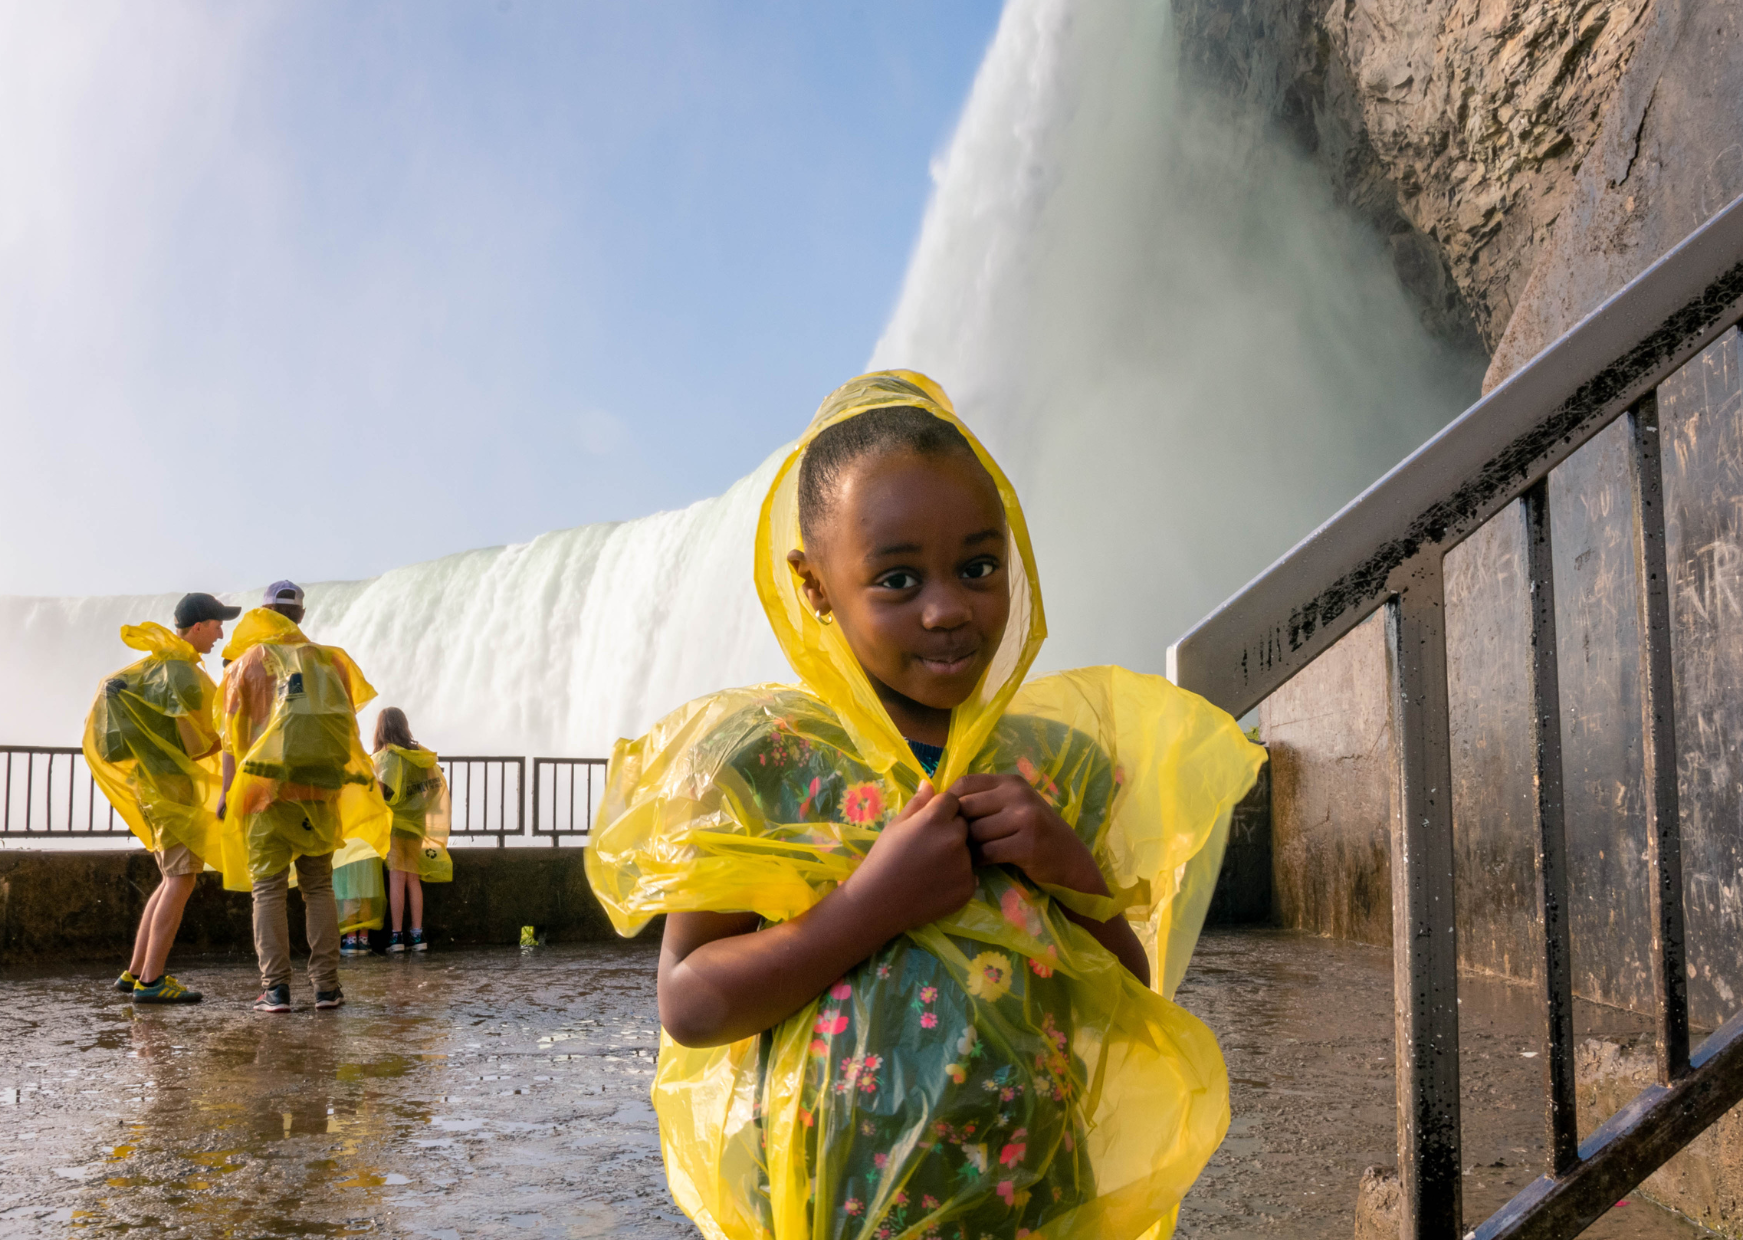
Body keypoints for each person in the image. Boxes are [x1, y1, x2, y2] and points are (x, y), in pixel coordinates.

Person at [585, 372, 1264, 1240]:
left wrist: (1072, 870)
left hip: (1035, 1198)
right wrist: (870, 905)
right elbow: (688, 1001)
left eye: (978, 567)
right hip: (842, 1206)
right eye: (898, 579)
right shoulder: (764, 762)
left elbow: (1129, 989)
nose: (947, 609)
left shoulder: (1060, 767)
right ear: (814, 584)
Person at [216, 580, 390, 1013]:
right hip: (319, 790)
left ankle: (275, 989)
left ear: (264, 612)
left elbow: (230, 738)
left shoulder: (246, 664)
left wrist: (226, 791)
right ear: (301, 616)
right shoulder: (331, 662)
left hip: (265, 793)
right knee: (318, 887)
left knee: (268, 891)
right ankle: (327, 988)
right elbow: (346, 729)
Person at [88, 592, 242, 1005]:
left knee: (169, 878)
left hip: (149, 787)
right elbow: (200, 742)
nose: (220, 635)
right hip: (172, 790)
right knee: (181, 879)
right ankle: (152, 981)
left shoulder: (153, 667)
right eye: (216, 626)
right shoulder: (182, 673)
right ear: (198, 627)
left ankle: (135, 972)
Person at [369, 706, 453, 953]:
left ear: (381, 729)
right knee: (413, 878)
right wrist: (417, 807)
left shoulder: (383, 758)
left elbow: (379, 797)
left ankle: (396, 936)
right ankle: (417, 934)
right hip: (416, 824)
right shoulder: (420, 757)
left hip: (394, 826)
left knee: (397, 877)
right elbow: (433, 790)